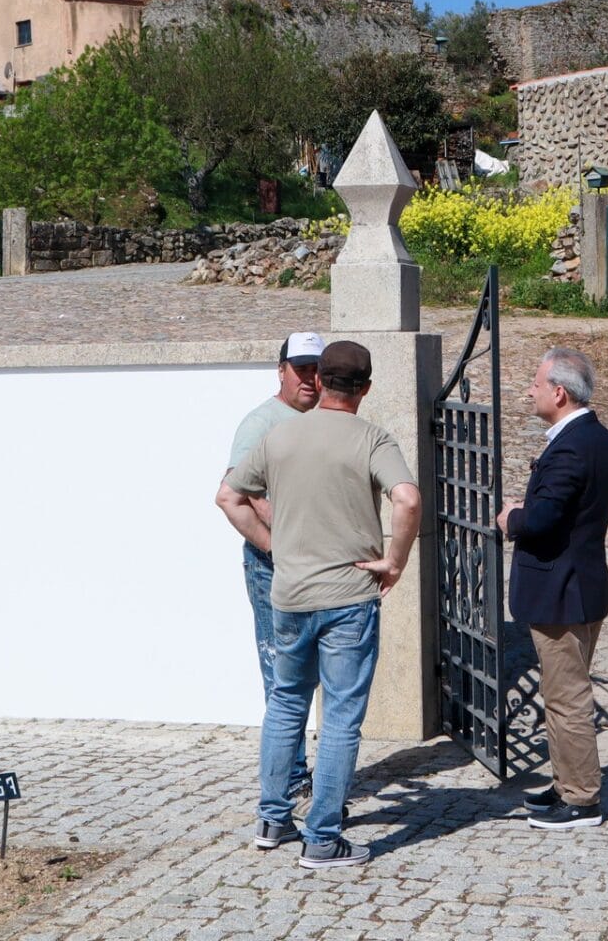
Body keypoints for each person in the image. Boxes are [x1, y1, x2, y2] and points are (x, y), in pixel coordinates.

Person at [223, 340, 422, 869]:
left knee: (286, 702)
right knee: (339, 717)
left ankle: (272, 818)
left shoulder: (280, 435)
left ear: (322, 380)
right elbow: (407, 498)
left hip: (289, 594)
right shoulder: (373, 437)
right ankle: (323, 837)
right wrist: (395, 561)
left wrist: (275, 547)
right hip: (348, 598)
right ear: (366, 388)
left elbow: (228, 496)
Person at [497, 346, 608, 830]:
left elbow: (546, 518)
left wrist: (512, 517)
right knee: (560, 692)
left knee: (567, 698)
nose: (529, 388)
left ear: (559, 392)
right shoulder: (595, 436)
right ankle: (566, 779)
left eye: (536, 380)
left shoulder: (572, 445)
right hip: (578, 585)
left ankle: (583, 799)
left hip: (563, 591)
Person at [215, 331, 325, 803]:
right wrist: (279, 546)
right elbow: (240, 492)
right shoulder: (261, 423)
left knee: (308, 668)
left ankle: (297, 774)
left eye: (316, 369)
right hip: (273, 566)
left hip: (315, 565)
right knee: (282, 671)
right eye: (300, 368)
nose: (308, 378)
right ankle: (292, 777)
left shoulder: (322, 418)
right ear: (280, 370)